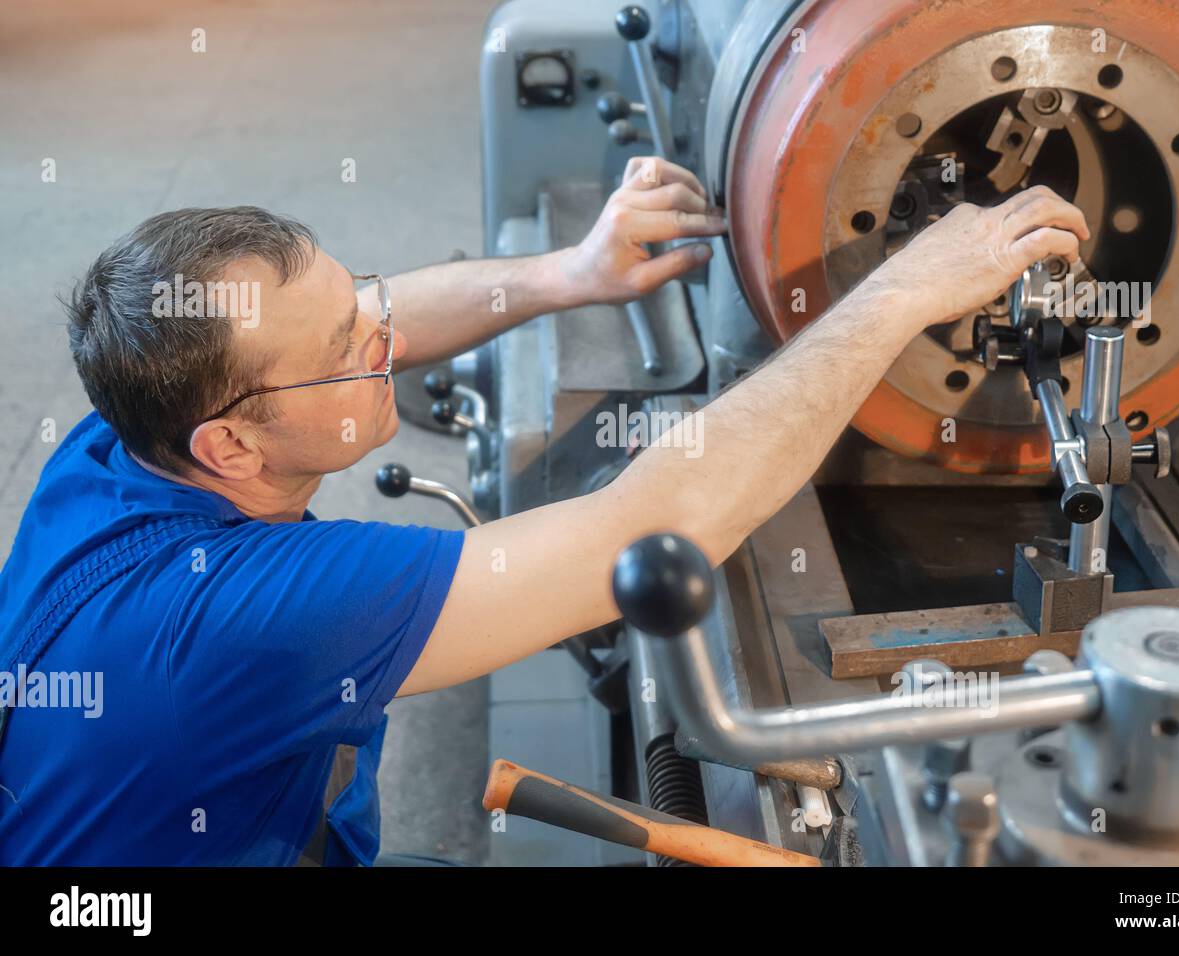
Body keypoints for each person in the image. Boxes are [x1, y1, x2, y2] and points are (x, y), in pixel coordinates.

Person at [0, 157, 1087, 864]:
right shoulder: (263, 613)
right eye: (346, 353)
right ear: (229, 442)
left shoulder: (118, 436)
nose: (382, 340)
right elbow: (649, 527)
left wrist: (573, 270)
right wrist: (901, 294)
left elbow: (383, 316)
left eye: (356, 301)